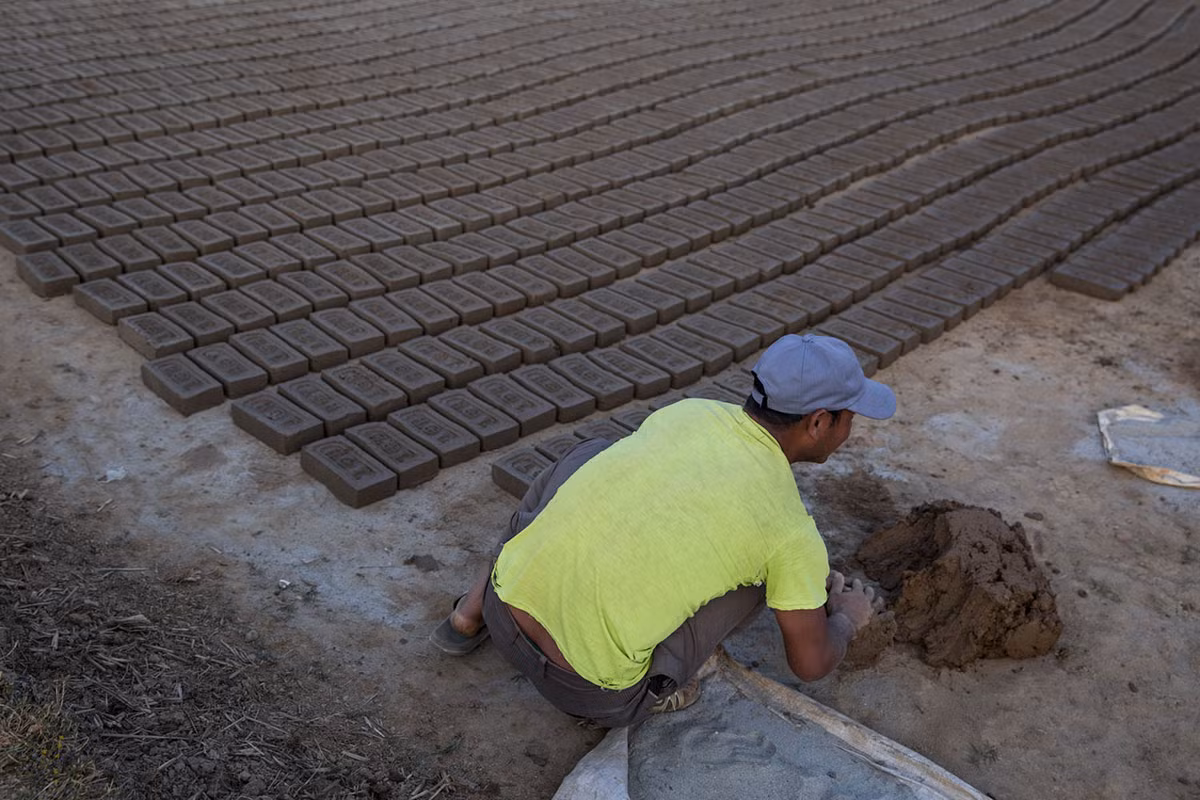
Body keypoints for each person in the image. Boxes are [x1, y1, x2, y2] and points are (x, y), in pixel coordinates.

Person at [431, 333, 895, 728]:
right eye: (849, 415)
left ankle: (467, 614)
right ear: (818, 422)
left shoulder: (689, 412)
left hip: (501, 608)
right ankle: (653, 695)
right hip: (585, 693)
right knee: (763, 579)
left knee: (591, 455)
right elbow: (810, 665)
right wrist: (846, 618)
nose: (851, 426)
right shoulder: (791, 532)